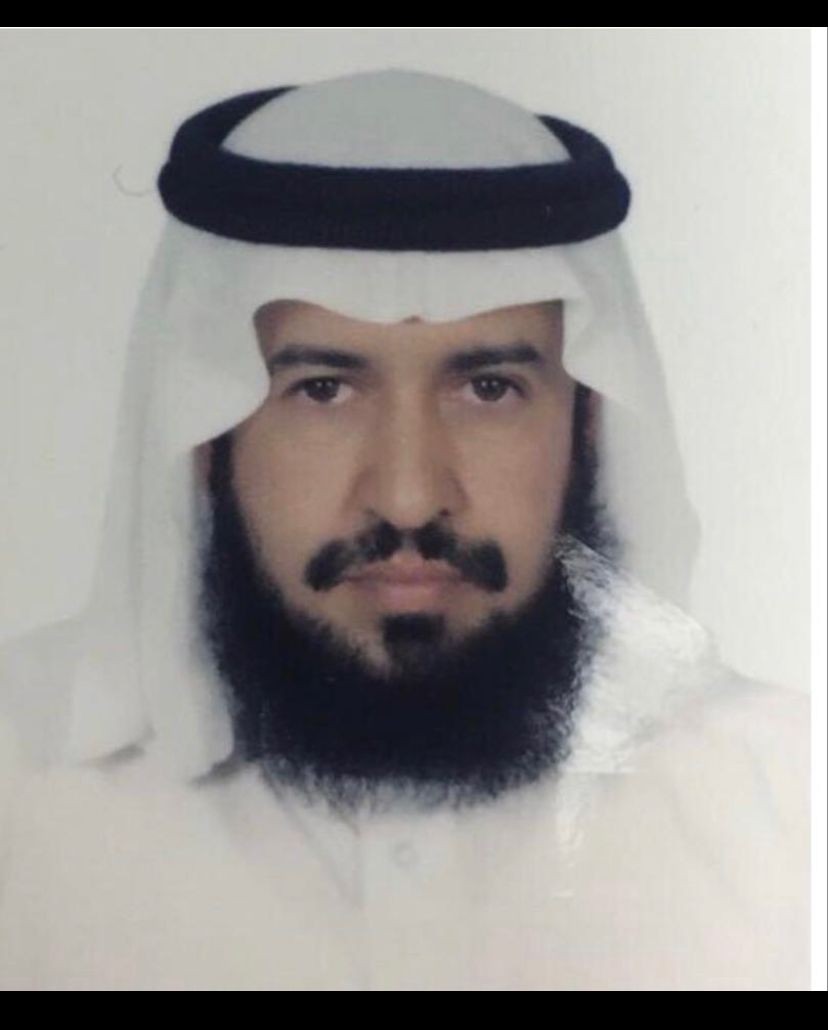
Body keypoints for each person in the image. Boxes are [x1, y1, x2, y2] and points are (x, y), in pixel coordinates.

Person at [0, 69, 808, 990]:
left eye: (489, 389)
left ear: (588, 426)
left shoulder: (786, 812)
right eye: (323, 390)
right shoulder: (20, 801)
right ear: (204, 437)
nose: (412, 498)